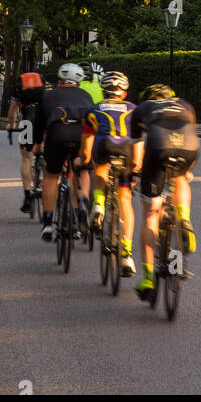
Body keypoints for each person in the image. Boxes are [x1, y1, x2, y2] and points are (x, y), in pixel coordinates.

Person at [130, 83, 199, 302]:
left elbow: (136, 152)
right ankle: (184, 220)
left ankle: (149, 278)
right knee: (180, 179)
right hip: (188, 146)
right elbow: (192, 133)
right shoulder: (184, 104)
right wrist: (187, 171)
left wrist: (133, 172)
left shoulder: (142, 109)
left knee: (151, 214)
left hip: (159, 148)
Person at [79, 71, 142, 277]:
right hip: (124, 147)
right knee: (125, 198)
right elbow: (138, 141)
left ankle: (98, 204)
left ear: (103, 91)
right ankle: (126, 254)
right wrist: (136, 165)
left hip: (103, 145)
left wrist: (84, 159)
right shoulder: (134, 109)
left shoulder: (95, 109)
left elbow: (87, 144)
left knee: (100, 170)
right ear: (124, 93)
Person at [32, 62, 91, 241]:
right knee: (82, 170)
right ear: (79, 81)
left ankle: (48, 223)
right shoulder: (86, 96)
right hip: (79, 134)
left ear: (59, 80)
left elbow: (39, 124)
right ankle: (82, 201)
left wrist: (37, 144)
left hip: (57, 133)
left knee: (51, 176)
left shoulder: (48, 95)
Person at [6, 69, 44, 213]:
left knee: (27, 159)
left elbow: (12, 111)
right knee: (44, 150)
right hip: (43, 122)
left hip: (27, 122)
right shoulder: (44, 86)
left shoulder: (18, 87)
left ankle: (27, 195)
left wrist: (11, 124)